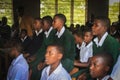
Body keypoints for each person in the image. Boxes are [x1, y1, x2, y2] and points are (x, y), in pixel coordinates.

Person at [29, 16, 56, 80]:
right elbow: (42, 47)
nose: (41, 25)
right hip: (43, 54)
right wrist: (35, 56)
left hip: (50, 56)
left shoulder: (54, 33)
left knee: (36, 68)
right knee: (31, 64)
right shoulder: (45, 33)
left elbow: (53, 51)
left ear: (48, 24)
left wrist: (43, 62)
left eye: (43, 24)